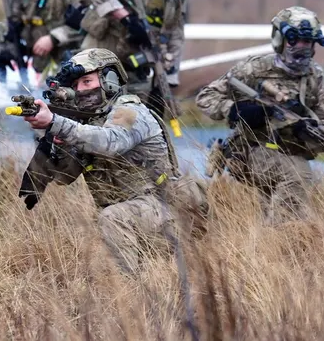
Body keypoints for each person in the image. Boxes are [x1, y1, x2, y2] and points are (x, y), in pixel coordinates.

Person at [19, 48, 208, 274]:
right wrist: (58, 141)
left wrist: (57, 122)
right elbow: (64, 177)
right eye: (76, 84)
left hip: (165, 209)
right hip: (134, 217)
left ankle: (130, 294)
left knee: (112, 218)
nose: (80, 90)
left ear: (110, 79)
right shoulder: (89, 123)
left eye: (87, 81)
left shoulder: (130, 111)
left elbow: (110, 142)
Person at [195, 6, 324, 221]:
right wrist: (235, 111)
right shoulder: (253, 69)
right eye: (294, 40)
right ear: (280, 39)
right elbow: (205, 98)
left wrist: (307, 131)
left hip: (289, 152)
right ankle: (282, 236)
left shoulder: (316, 79)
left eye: (307, 42)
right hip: (247, 151)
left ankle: (267, 244)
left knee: (268, 204)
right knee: (298, 175)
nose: (301, 48)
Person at [80, 0, 194, 118]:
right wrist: (126, 19)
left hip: (135, 68)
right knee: (92, 117)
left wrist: (167, 79)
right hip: (98, 60)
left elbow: (176, 35)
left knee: (134, 122)